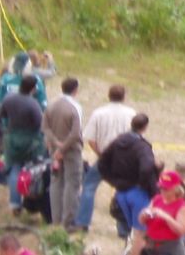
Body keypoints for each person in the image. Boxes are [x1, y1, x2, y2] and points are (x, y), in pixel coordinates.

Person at [74, 84, 136, 231]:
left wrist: (100, 153)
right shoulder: (131, 113)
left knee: (89, 187)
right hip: (123, 159)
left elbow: (90, 139)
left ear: (109, 96)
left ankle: (83, 222)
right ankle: (124, 227)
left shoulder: (99, 113)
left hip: (104, 157)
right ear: (124, 97)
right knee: (124, 190)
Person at [97, 113, 157, 255]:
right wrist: (143, 183)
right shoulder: (142, 147)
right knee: (140, 234)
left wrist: (113, 180)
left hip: (121, 191)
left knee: (130, 233)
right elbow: (147, 167)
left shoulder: (117, 142)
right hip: (138, 192)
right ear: (145, 127)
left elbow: (102, 162)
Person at [0, 75, 45, 215]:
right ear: (33, 88)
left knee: (14, 169)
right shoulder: (33, 104)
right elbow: (39, 124)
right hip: (30, 139)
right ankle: (31, 202)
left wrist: (5, 130)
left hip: (12, 137)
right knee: (32, 170)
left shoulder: (8, 98)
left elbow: (1, 116)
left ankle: (15, 203)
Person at [42, 77, 83, 231]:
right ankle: (68, 221)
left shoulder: (51, 105)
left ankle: (56, 220)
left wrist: (56, 144)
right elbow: (75, 133)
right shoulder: (75, 107)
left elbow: (45, 128)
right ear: (75, 90)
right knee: (72, 184)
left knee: (56, 182)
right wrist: (63, 147)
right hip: (71, 150)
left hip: (54, 149)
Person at [140, 170, 185, 255]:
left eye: (166, 189)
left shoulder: (182, 206)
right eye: (161, 187)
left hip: (170, 248)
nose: (162, 190)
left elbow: (181, 231)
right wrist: (144, 214)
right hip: (151, 246)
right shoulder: (157, 199)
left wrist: (165, 216)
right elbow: (142, 221)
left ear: (176, 189)